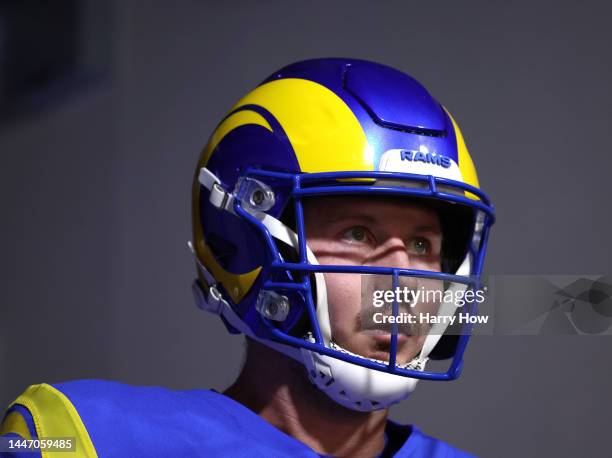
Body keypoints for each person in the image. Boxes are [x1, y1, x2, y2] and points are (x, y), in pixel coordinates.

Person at [0, 58, 495, 457]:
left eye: (422, 246)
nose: (402, 281)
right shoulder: (80, 437)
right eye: (358, 233)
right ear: (246, 242)